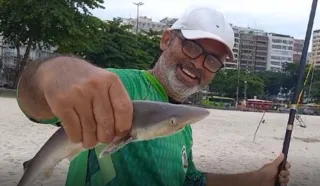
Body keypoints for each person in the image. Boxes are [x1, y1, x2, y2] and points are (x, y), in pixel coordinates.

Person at [16, 6, 291, 186]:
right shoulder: (118, 86)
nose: (199, 64)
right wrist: (54, 73)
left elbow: (190, 181)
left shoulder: (181, 127)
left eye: (213, 61)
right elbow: (34, 106)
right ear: (166, 39)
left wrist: (258, 178)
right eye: (192, 47)